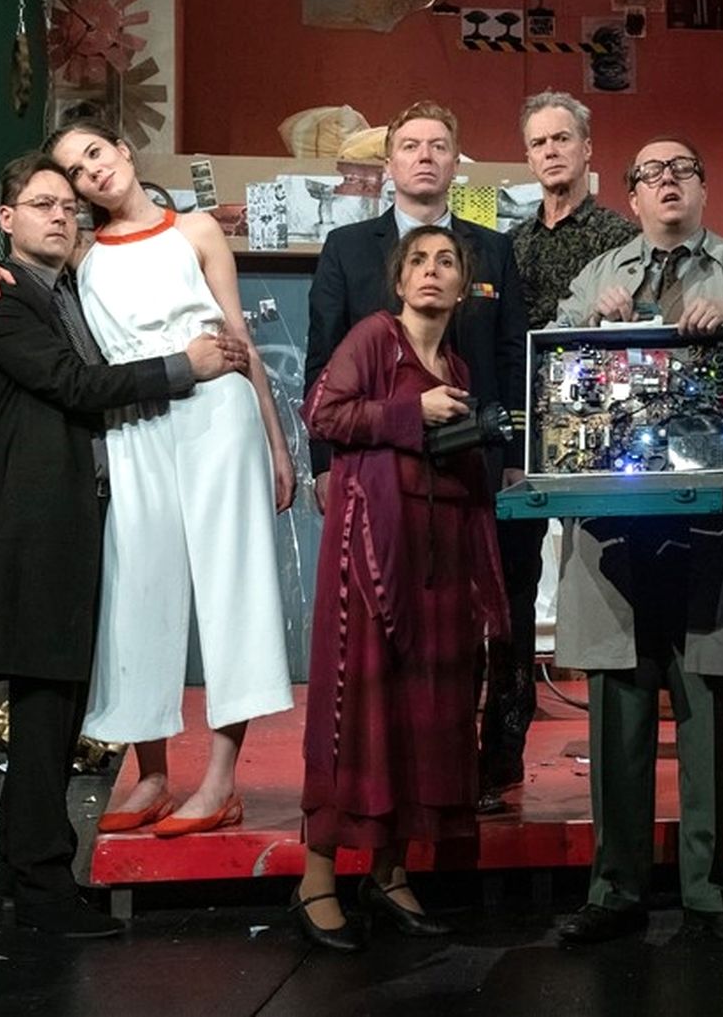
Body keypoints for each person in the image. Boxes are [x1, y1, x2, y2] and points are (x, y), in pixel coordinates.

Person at [0, 113, 296, 837]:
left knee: (230, 586)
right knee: (138, 589)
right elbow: (31, 281)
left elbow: (239, 337)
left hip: (217, 412)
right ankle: (150, 774)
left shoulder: (197, 231)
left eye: (95, 153)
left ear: (121, 149)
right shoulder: (81, 255)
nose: (91, 172)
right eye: (75, 172)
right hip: (134, 422)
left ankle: (220, 782)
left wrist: (278, 446)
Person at [551, 137, 723, 947]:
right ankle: (615, 887)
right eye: (651, 174)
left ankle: (708, 890)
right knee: (619, 701)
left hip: (714, 525)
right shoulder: (599, 276)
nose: (667, 182)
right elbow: (549, 360)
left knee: (706, 702)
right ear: (632, 196)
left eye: (682, 171)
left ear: (703, 188)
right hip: (616, 528)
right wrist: (586, 325)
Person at [302, 101, 529, 812]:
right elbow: (321, 363)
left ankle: (485, 770)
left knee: (485, 620)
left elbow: (512, 358)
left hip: (476, 470)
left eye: (438, 145)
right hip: (379, 476)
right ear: (390, 162)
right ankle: (393, 778)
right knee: (391, 626)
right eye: (410, 145)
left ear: (456, 161)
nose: (425, 156)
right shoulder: (347, 248)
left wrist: (517, 455)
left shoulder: (494, 249)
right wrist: (321, 462)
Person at [293, 226, 507, 952]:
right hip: (371, 551)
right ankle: (316, 880)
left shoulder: (457, 365)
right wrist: (412, 414)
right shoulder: (374, 338)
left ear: (463, 285)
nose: (431, 271)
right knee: (360, 708)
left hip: (437, 554)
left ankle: (388, 875)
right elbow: (322, 412)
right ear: (398, 279)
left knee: (423, 713)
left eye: (446, 261)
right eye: (418, 260)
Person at [480, 91, 638, 813]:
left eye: (562, 138)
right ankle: (499, 757)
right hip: (521, 434)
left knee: (606, 588)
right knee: (511, 594)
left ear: (587, 149)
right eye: (539, 142)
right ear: (527, 156)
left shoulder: (619, 237)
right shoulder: (507, 245)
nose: (551, 151)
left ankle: (618, 755)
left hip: (597, 436)